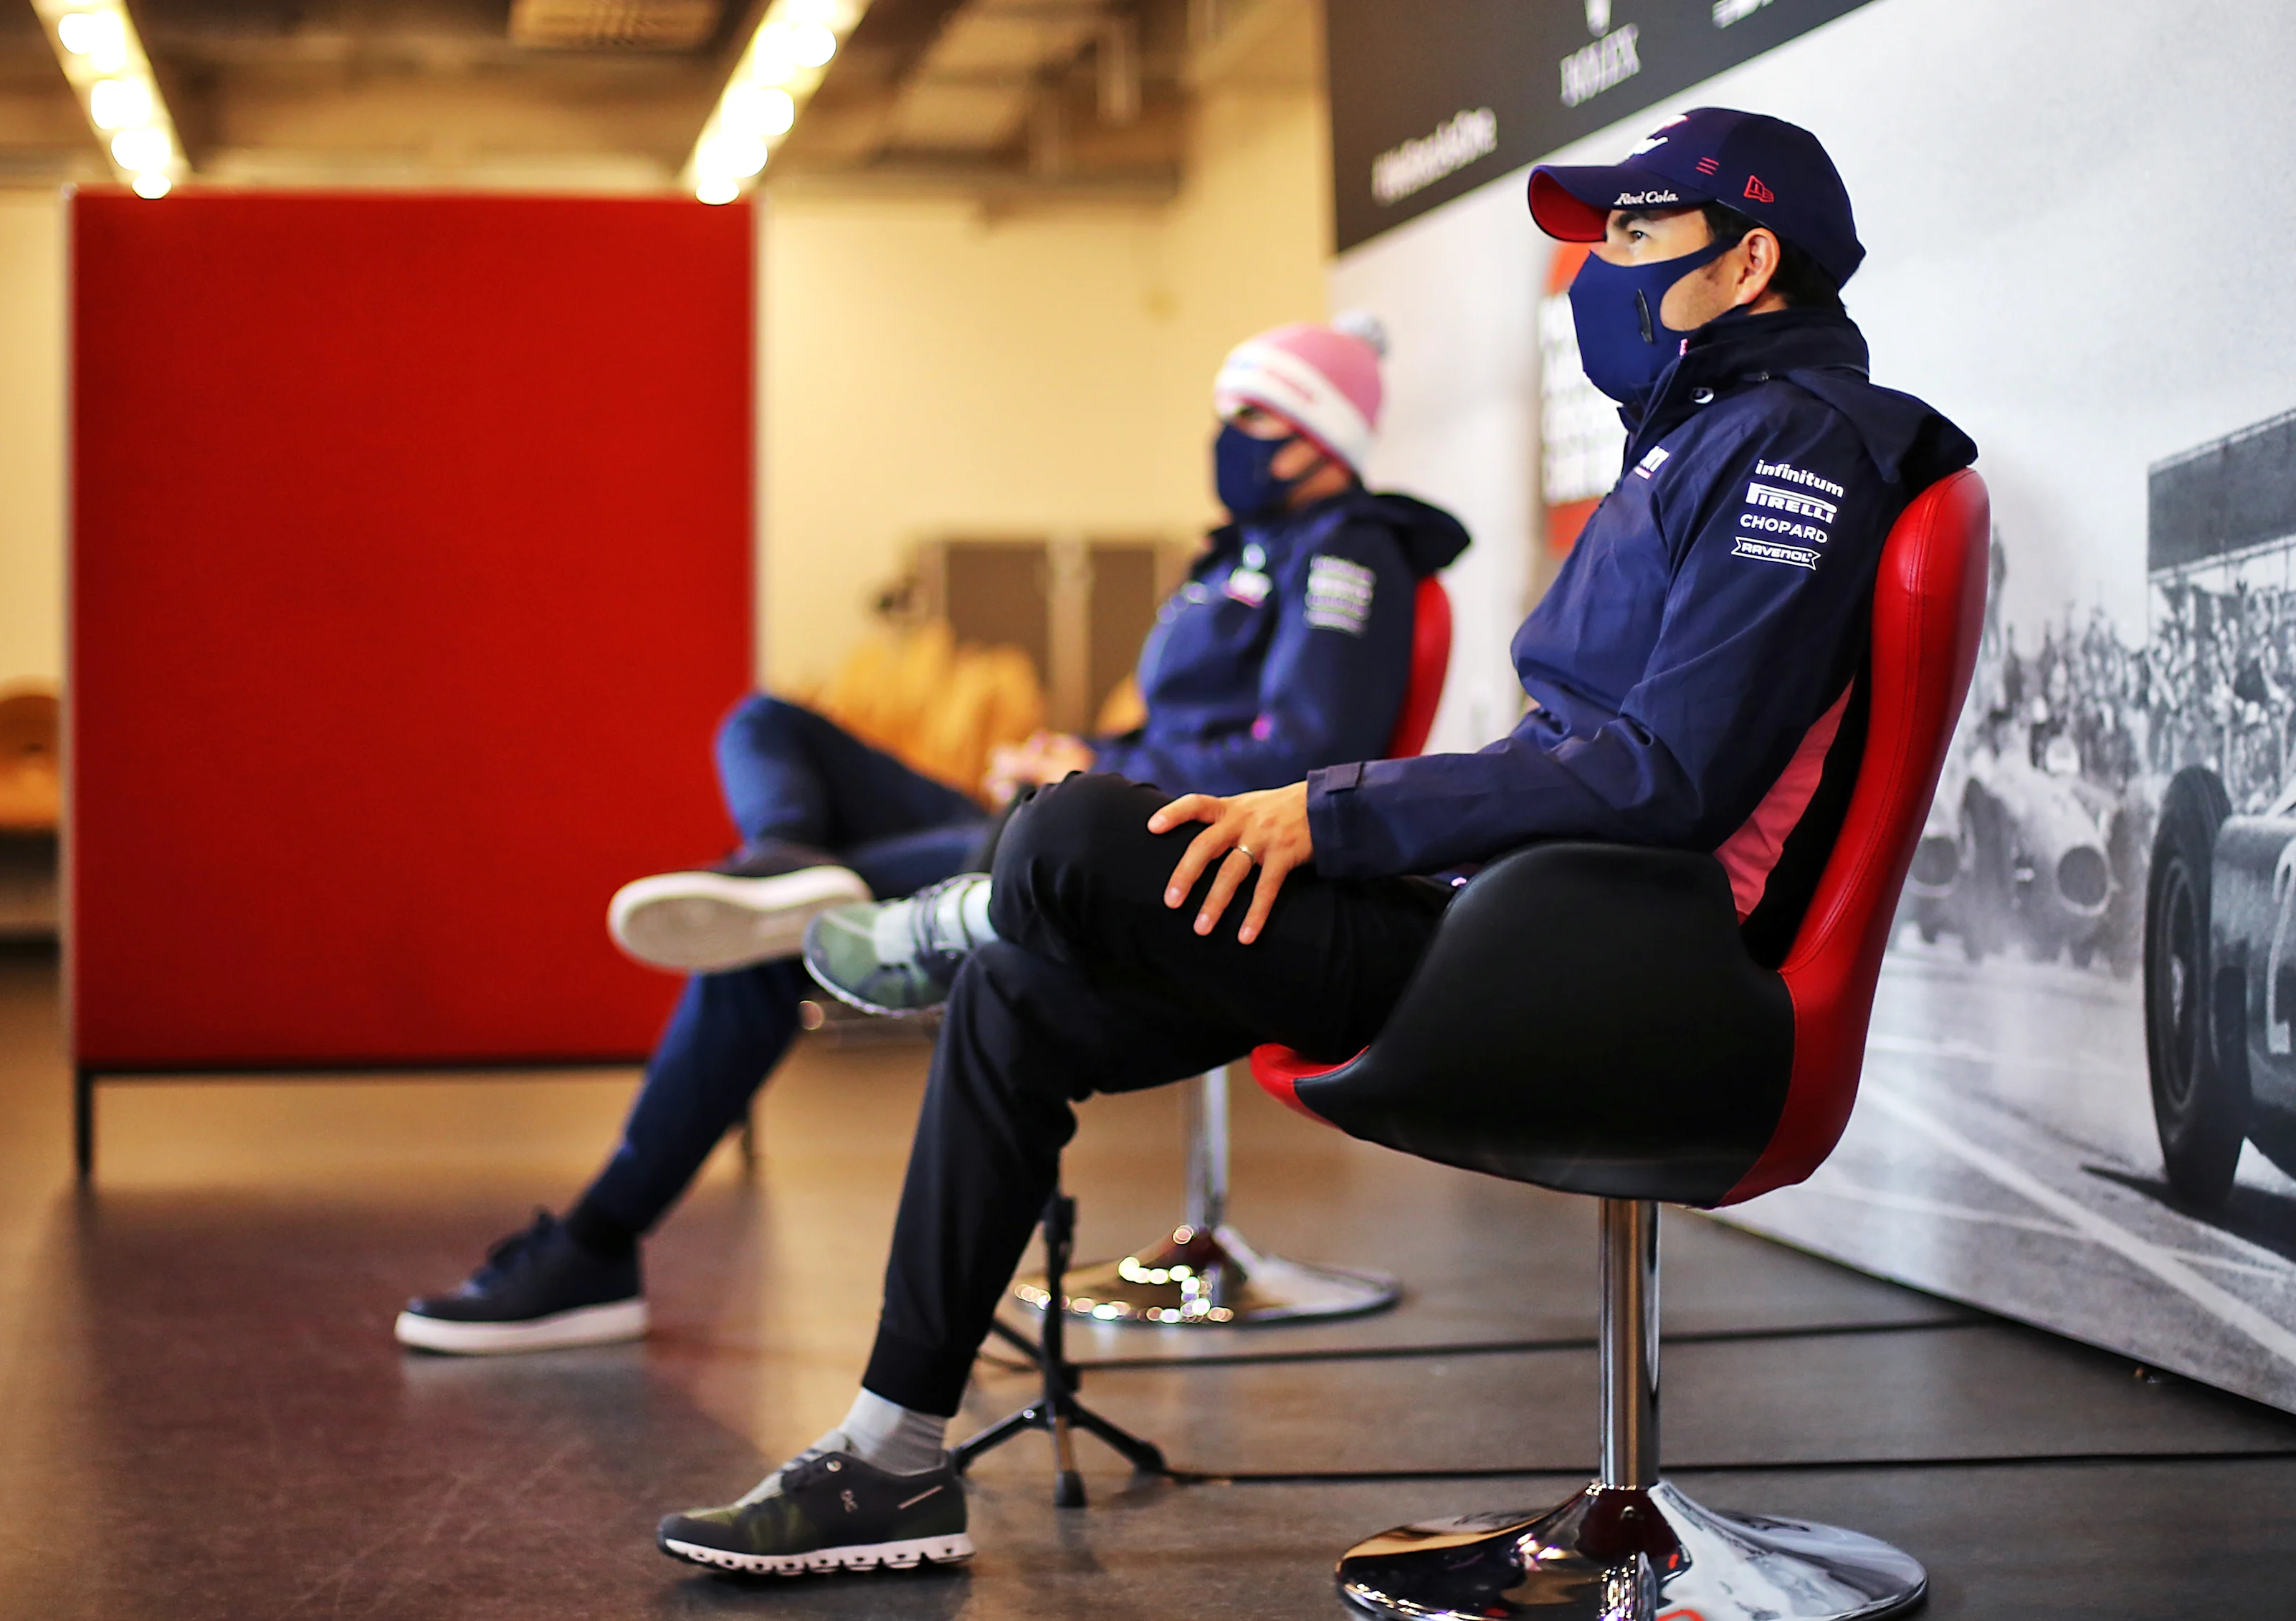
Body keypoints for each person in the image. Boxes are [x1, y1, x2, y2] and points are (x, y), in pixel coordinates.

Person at [655, 107, 1978, 1577]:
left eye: (1630, 234)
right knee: (1024, 987)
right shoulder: (1698, 445)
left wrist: (1334, 811)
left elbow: (1665, 777)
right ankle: (892, 1456)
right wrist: (1343, 824)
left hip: (1626, 967)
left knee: (1069, 836)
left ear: (1746, 263)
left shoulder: (1799, 448)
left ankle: (960, 909)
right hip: (1510, 917)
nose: (1596, 271)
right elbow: (1570, 758)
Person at [394, 315, 1471, 1354]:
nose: (1224, 437)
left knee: (771, 944)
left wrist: (1097, 778)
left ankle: (595, 1242)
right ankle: (782, 856)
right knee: (769, 725)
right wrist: (1077, 746)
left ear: (1318, 431)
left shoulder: (1350, 555)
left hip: (1131, 855)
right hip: (1062, 817)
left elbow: (1311, 761)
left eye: (1250, 414)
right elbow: (1176, 726)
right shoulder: (1235, 553)